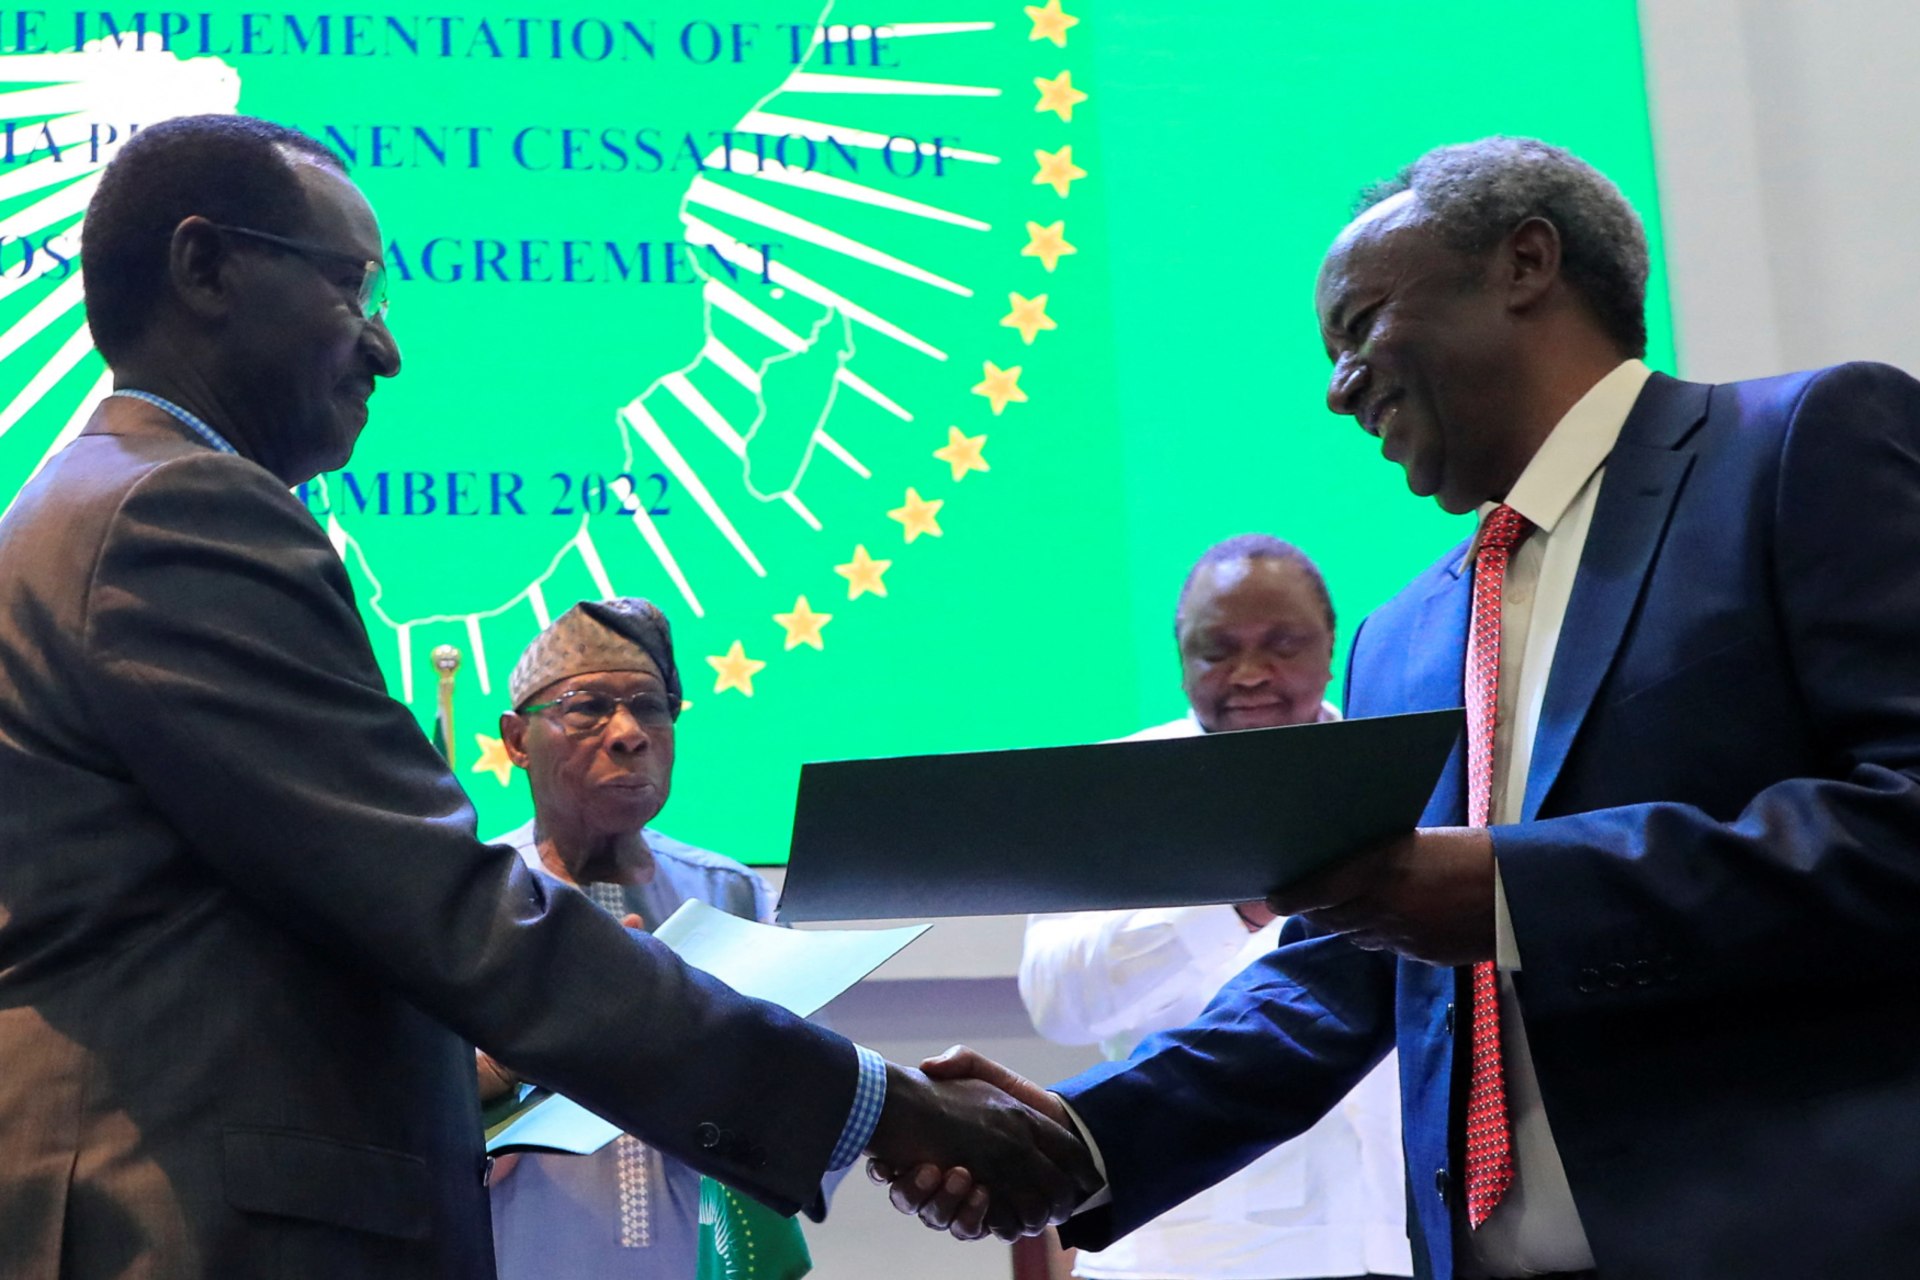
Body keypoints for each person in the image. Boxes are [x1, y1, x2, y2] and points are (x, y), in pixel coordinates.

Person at [0, 113, 1088, 1278]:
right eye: (354, 289)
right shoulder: (176, 516)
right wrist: (880, 1104)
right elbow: (447, 911)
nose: (386, 348)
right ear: (205, 265)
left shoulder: (99, 507)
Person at [885, 135, 1920, 1278]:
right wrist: (1080, 1135)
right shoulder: (1403, 638)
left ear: (1526, 263)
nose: (1337, 390)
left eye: (1361, 324)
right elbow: (1348, 968)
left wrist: (1517, 890)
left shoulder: (1801, 447)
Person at [1021, 535, 1411, 1280]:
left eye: (1282, 644)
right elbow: (1058, 1003)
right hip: (1192, 1249)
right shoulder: (1113, 789)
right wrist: (1238, 902)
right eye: (1218, 650)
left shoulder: (1402, 777)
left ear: (1331, 646)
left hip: (1404, 1239)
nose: (1252, 674)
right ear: (1181, 658)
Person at [481, 596, 827, 1276]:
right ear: (518, 739)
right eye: (588, 706)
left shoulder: (730, 893)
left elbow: (795, 1101)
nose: (629, 733)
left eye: (650, 706)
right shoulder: (468, 897)